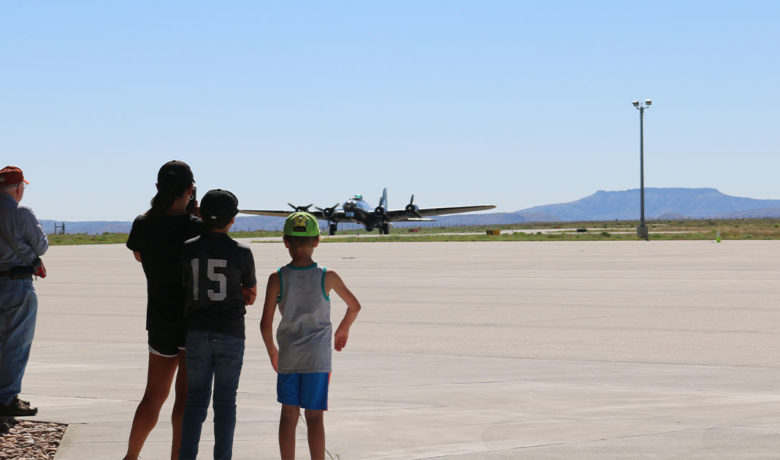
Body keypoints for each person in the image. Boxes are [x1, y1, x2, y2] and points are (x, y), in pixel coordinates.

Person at [260, 212, 361, 460]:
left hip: (289, 357)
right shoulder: (328, 276)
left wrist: (272, 350)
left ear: (285, 242)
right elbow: (354, 306)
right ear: (317, 241)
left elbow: (265, 324)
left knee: (289, 414)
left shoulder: (277, 279)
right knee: (314, 416)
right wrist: (342, 329)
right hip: (317, 359)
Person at [124, 161, 204, 460]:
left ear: (158, 188)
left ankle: (131, 456)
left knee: (153, 396)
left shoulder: (143, 223)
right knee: (184, 399)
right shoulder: (197, 228)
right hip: (192, 321)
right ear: (190, 189)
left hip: (160, 320)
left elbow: (139, 255)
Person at [179, 189, 257, 460]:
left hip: (197, 329)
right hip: (231, 332)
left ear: (200, 214)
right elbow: (250, 294)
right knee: (225, 402)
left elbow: (185, 286)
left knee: (195, 401)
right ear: (233, 219)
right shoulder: (243, 252)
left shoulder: (188, 248)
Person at [0, 166, 48, 418]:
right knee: (16, 342)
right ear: (19, 188)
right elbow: (41, 246)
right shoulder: (22, 212)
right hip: (16, 282)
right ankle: (7, 398)